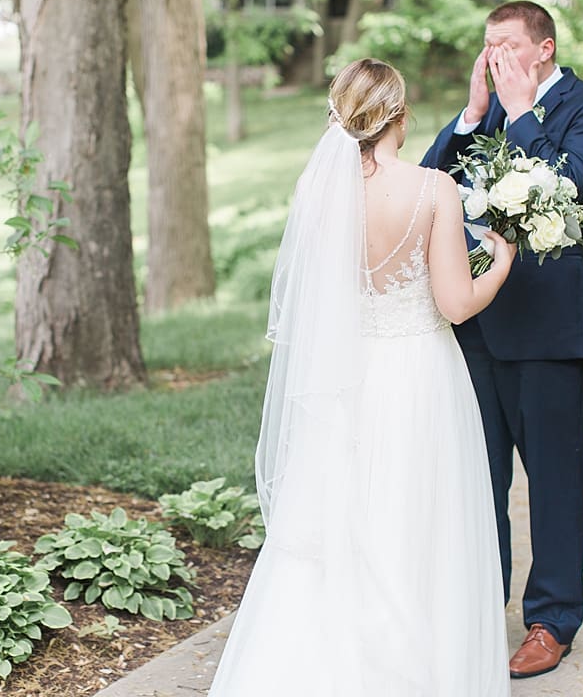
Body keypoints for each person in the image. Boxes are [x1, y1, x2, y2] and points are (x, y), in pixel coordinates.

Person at [208, 59, 516, 697]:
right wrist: (504, 262)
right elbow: (456, 303)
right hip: (420, 374)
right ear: (400, 117)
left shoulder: (320, 191)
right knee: (419, 522)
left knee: (344, 520)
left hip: (348, 376)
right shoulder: (434, 190)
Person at [420, 0, 583, 679]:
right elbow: (426, 188)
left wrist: (523, 111)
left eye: (507, 46)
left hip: (551, 330)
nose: (494, 58)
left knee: (556, 483)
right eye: (487, 47)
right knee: (478, 482)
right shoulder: (483, 114)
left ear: (544, 49)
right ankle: (482, 608)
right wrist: (477, 114)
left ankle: (553, 620)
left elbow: (571, 192)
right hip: (475, 322)